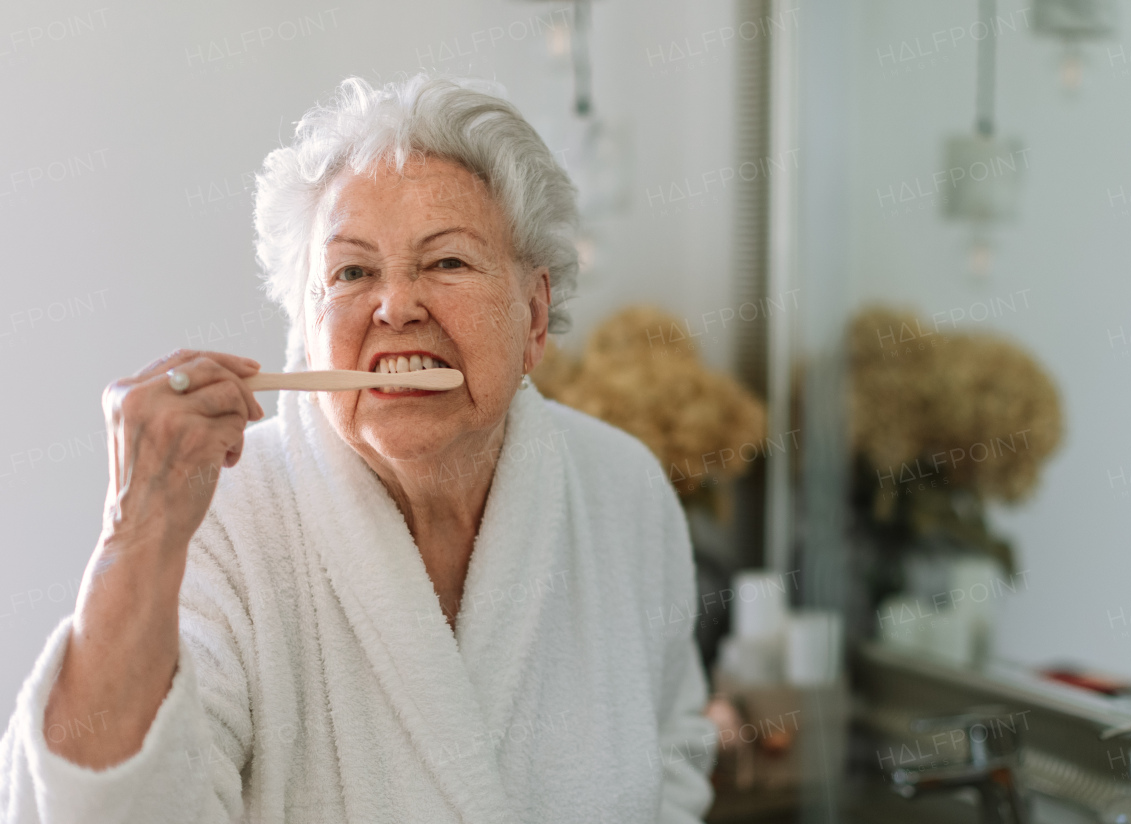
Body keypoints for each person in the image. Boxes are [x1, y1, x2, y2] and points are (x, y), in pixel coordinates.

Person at [0, 74, 716, 823]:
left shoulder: (621, 488)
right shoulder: (220, 517)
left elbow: (674, 754)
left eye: (446, 262)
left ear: (534, 316)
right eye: (352, 271)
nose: (396, 304)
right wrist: (134, 538)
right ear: (307, 326)